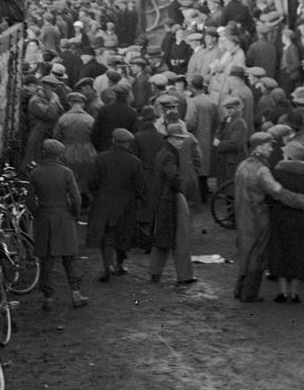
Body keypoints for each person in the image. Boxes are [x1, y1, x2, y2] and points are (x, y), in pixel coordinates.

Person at [234, 131, 304, 301]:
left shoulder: (243, 165)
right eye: (268, 145)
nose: (271, 149)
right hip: (258, 216)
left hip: (243, 215)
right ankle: (249, 293)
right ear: (258, 148)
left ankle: (239, 290)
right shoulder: (262, 170)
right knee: (257, 255)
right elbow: (278, 192)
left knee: (245, 252)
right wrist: (302, 200)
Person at [29, 138, 88, 311]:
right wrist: (75, 214)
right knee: (70, 258)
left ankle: (48, 297)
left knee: (46, 260)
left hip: (44, 217)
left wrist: (38, 213)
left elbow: (30, 201)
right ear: (59, 154)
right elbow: (76, 199)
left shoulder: (35, 173)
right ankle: (76, 294)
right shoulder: (66, 172)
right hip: (63, 217)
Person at [85, 128, 145, 282]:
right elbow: (140, 185)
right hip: (126, 205)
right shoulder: (135, 162)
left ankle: (107, 267)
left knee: (107, 236)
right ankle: (119, 265)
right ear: (128, 143)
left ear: (113, 140)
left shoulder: (101, 158)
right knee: (123, 235)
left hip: (103, 203)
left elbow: (92, 182)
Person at [149, 118, 200, 285]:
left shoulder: (163, 152)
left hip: (163, 200)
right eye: (178, 138)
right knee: (181, 238)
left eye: (182, 138)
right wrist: (180, 188)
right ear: (170, 138)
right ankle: (185, 276)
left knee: (162, 239)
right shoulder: (169, 155)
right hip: (171, 199)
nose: (181, 141)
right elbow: (173, 175)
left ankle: (155, 273)